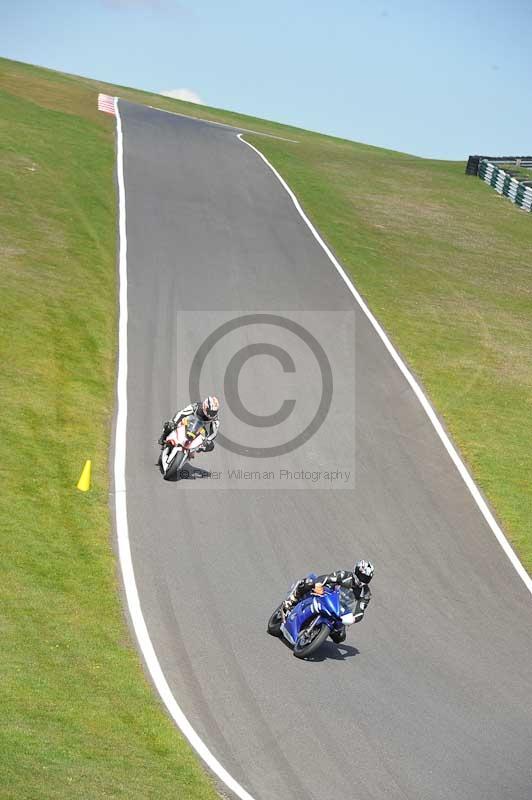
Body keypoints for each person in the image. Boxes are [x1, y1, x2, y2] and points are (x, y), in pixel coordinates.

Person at [281, 560, 374, 643]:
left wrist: (353, 619)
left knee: (340, 637)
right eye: (362, 576)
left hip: (341, 611)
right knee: (309, 582)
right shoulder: (344, 575)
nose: (362, 580)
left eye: (366, 578)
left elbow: (360, 611)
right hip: (328, 595)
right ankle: (292, 600)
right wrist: (318, 585)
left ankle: (316, 634)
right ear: (356, 571)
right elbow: (327, 578)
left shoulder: (366, 593)